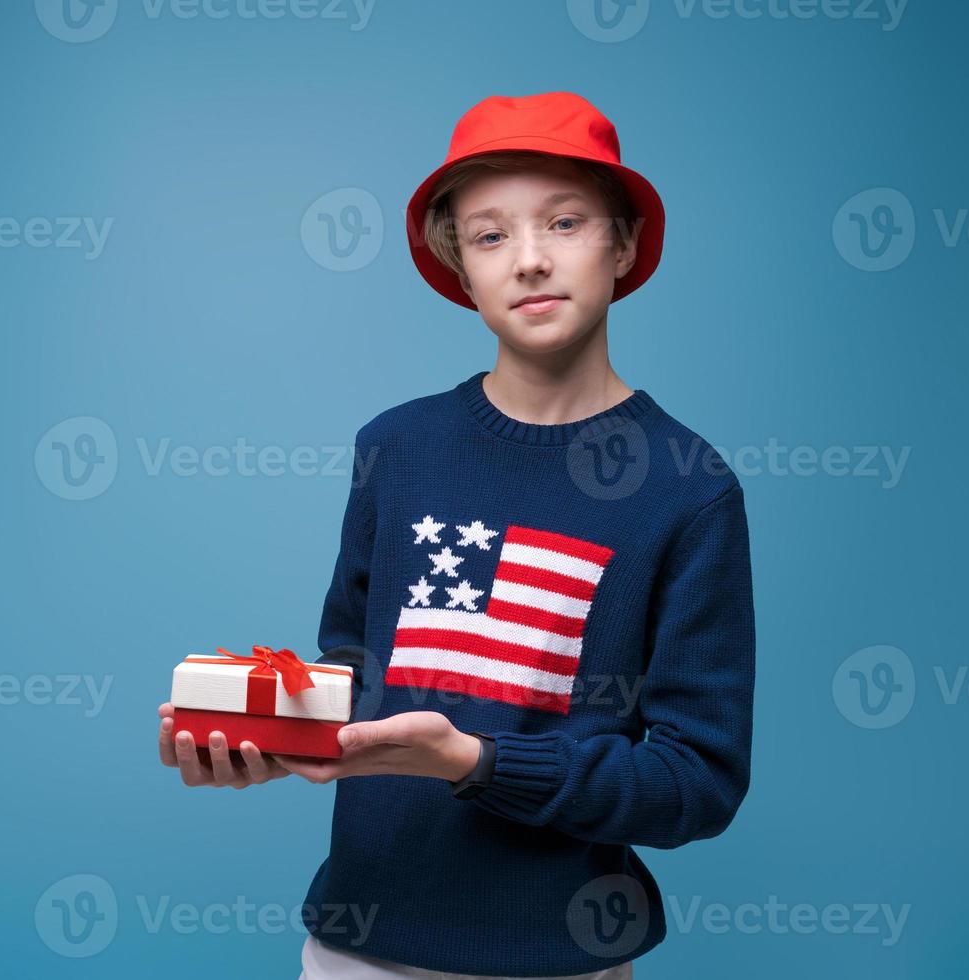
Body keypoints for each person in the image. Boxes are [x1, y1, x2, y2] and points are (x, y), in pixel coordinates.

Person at [159, 91, 756, 979]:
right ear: (459, 267)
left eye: (563, 222)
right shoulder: (396, 448)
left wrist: (476, 763)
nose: (529, 260)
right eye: (490, 236)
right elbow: (357, 677)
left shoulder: (690, 490)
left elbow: (694, 785)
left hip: (562, 954)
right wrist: (278, 744)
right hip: (361, 943)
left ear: (623, 244)